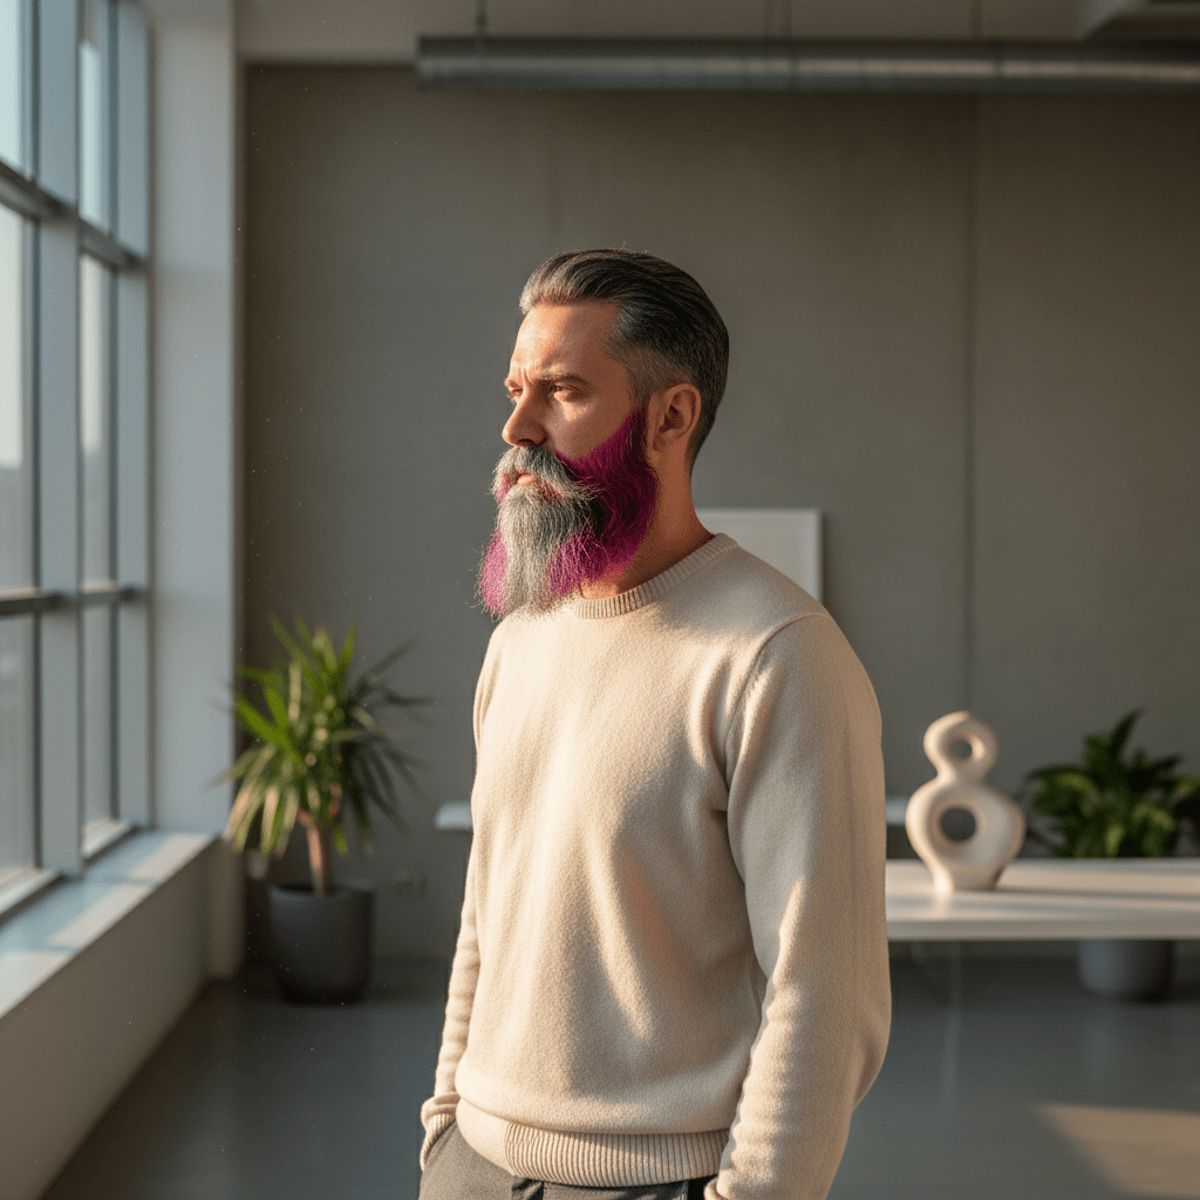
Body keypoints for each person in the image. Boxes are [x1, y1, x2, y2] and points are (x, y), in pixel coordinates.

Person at [419, 249, 890, 1200]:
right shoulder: (519, 638)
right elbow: (489, 911)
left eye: (563, 392)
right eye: (517, 389)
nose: (517, 428)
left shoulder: (777, 654)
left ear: (671, 415)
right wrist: (445, 1125)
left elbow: (821, 992)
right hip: (473, 1163)